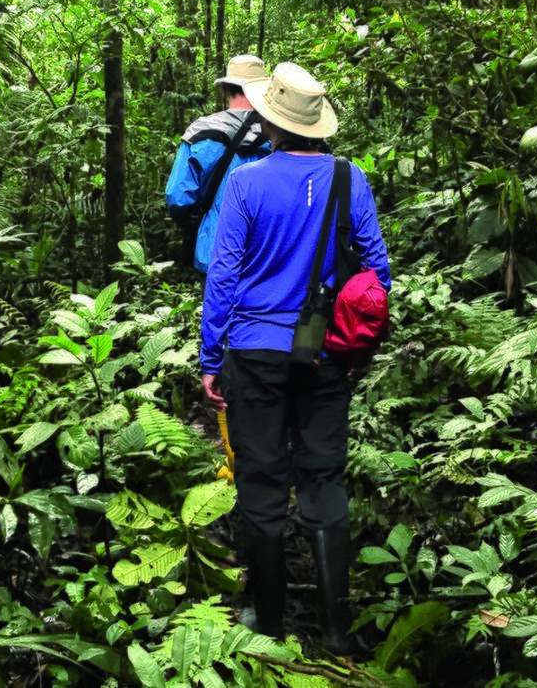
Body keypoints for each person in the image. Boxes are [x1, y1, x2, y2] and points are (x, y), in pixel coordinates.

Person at [199, 62, 391, 655]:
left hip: (254, 352)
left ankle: (270, 620)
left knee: (260, 481)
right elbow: (378, 272)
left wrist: (211, 356)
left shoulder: (247, 182)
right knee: (324, 478)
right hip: (325, 354)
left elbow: (224, 272)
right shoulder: (348, 177)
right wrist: (361, 344)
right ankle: (336, 629)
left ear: (267, 117)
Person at [165, 55, 273, 273]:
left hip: (216, 250)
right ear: (262, 89)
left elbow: (178, 197)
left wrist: (199, 224)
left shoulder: (200, 133)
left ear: (225, 88)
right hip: (269, 252)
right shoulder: (279, 132)